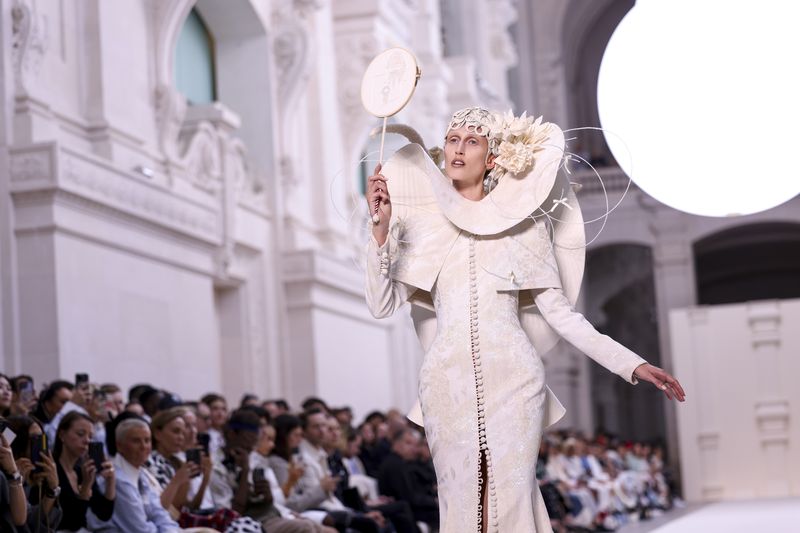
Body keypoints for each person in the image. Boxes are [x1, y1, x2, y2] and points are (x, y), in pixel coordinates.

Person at [364, 106, 686, 532]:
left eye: (472, 141)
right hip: (445, 380)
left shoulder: (524, 228)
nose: (457, 149)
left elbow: (563, 317)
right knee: (461, 497)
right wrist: (381, 232)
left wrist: (632, 363)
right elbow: (381, 304)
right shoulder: (422, 228)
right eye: (452, 139)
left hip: (514, 379)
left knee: (512, 495)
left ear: (492, 159)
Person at [88, 417, 181, 532]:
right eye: (136, 441)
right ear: (119, 446)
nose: (144, 446)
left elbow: (159, 513)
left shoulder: (141, 473)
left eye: (147, 440)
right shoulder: (116, 478)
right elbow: (139, 530)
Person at [53, 411, 116, 531]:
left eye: (90, 437)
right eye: (81, 434)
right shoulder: (52, 469)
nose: (87, 441)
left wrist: (111, 481)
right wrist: (86, 487)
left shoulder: (81, 470)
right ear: (62, 435)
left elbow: (104, 514)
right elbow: (72, 524)